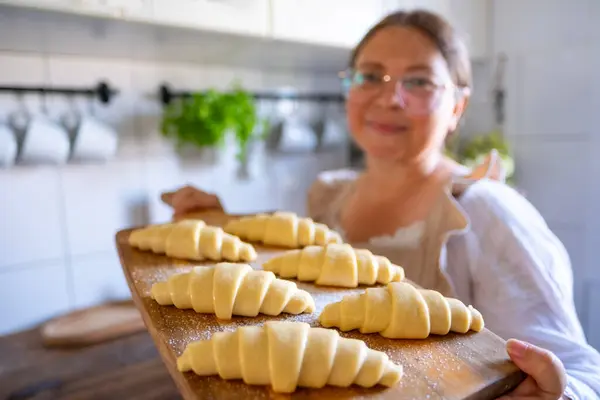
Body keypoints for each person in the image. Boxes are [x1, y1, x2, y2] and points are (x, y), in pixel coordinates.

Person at [162, 9, 600, 400]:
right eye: (371, 76)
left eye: (419, 81)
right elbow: (293, 307)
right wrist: (221, 227)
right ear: (349, 89)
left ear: (457, 107)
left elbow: (584, 374)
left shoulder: (483, 213)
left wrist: (554, 394)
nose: (390, 98)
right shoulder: (330, 194)